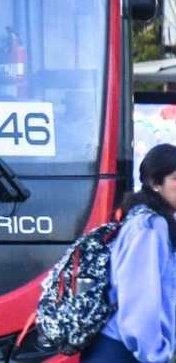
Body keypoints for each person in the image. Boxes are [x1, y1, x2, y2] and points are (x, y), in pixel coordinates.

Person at [82, 143, 176, 363]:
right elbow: (139, 300)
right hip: (123, 351)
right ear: (155, 183)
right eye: (175, 179)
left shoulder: (152, 220)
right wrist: (155, 355)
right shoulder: (149, 227)